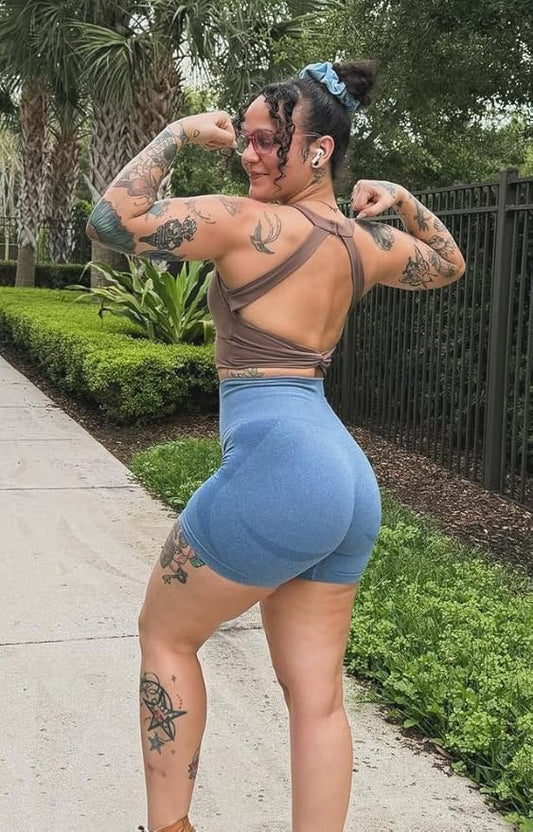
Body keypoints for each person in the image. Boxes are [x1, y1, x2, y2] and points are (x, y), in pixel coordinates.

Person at [87, 59, 466, 832]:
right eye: (245, 138)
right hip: (344, 482)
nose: (247, 153)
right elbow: (447, 264)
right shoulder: (367, 242)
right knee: (317, 699)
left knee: (165, 634)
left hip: (283, 469)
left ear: (318, 151)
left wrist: (176, 133)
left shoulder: (241, 223)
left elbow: (111, 221)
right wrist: (402, 201)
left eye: (266, 140)